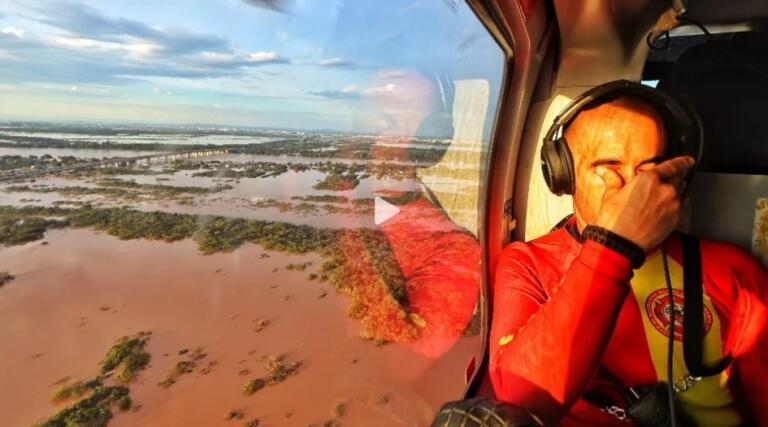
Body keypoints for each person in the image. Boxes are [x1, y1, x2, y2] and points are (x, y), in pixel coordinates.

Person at [489, 81, 768, 426]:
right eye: (608, 169)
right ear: (563, 175)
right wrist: (615, 244)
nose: (634, 192)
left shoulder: (734, 273)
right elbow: (520, 401)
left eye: (648, 171)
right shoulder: (528, 264)